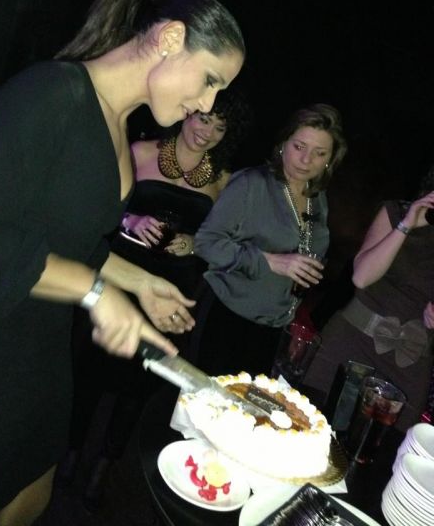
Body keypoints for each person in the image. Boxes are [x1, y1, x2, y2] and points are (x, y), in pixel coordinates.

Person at [0, 0, 245, 525]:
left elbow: (72, 244)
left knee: (30, 498)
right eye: (210, 80)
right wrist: (96, 294)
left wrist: (139, 283)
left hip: (41, 351)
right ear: (170, 38)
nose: (207, 103)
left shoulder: (117, 124)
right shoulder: (50, 93)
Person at [63, 88, 253, 509]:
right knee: (88, 371)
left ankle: (105, 466)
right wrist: (129, 219)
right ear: (188, 113)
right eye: (204, 119)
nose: (207, 132)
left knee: (140, 384)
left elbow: (222, 241)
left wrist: (195, 243)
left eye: (220, 128)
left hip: (173, 289)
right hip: (120, 275)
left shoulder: (223, 179)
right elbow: (97, 208)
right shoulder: (139, 151)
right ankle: (71, 452)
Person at [193, 103, 347, 377]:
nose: (306, 160)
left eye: (319, 153)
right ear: (283, 144)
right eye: (299, 147)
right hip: (225, 320)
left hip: (273, 331)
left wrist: (296, 317)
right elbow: (205, 243)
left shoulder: (318, 200)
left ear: (330, 159)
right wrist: (270, 261)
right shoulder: (251, 183)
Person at [304, 165, 434, 432]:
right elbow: (361, 277)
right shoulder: (396, 213)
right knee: (307, 426)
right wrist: (407, 225)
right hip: (351, 342)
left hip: (411, 364)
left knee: (380, 451)